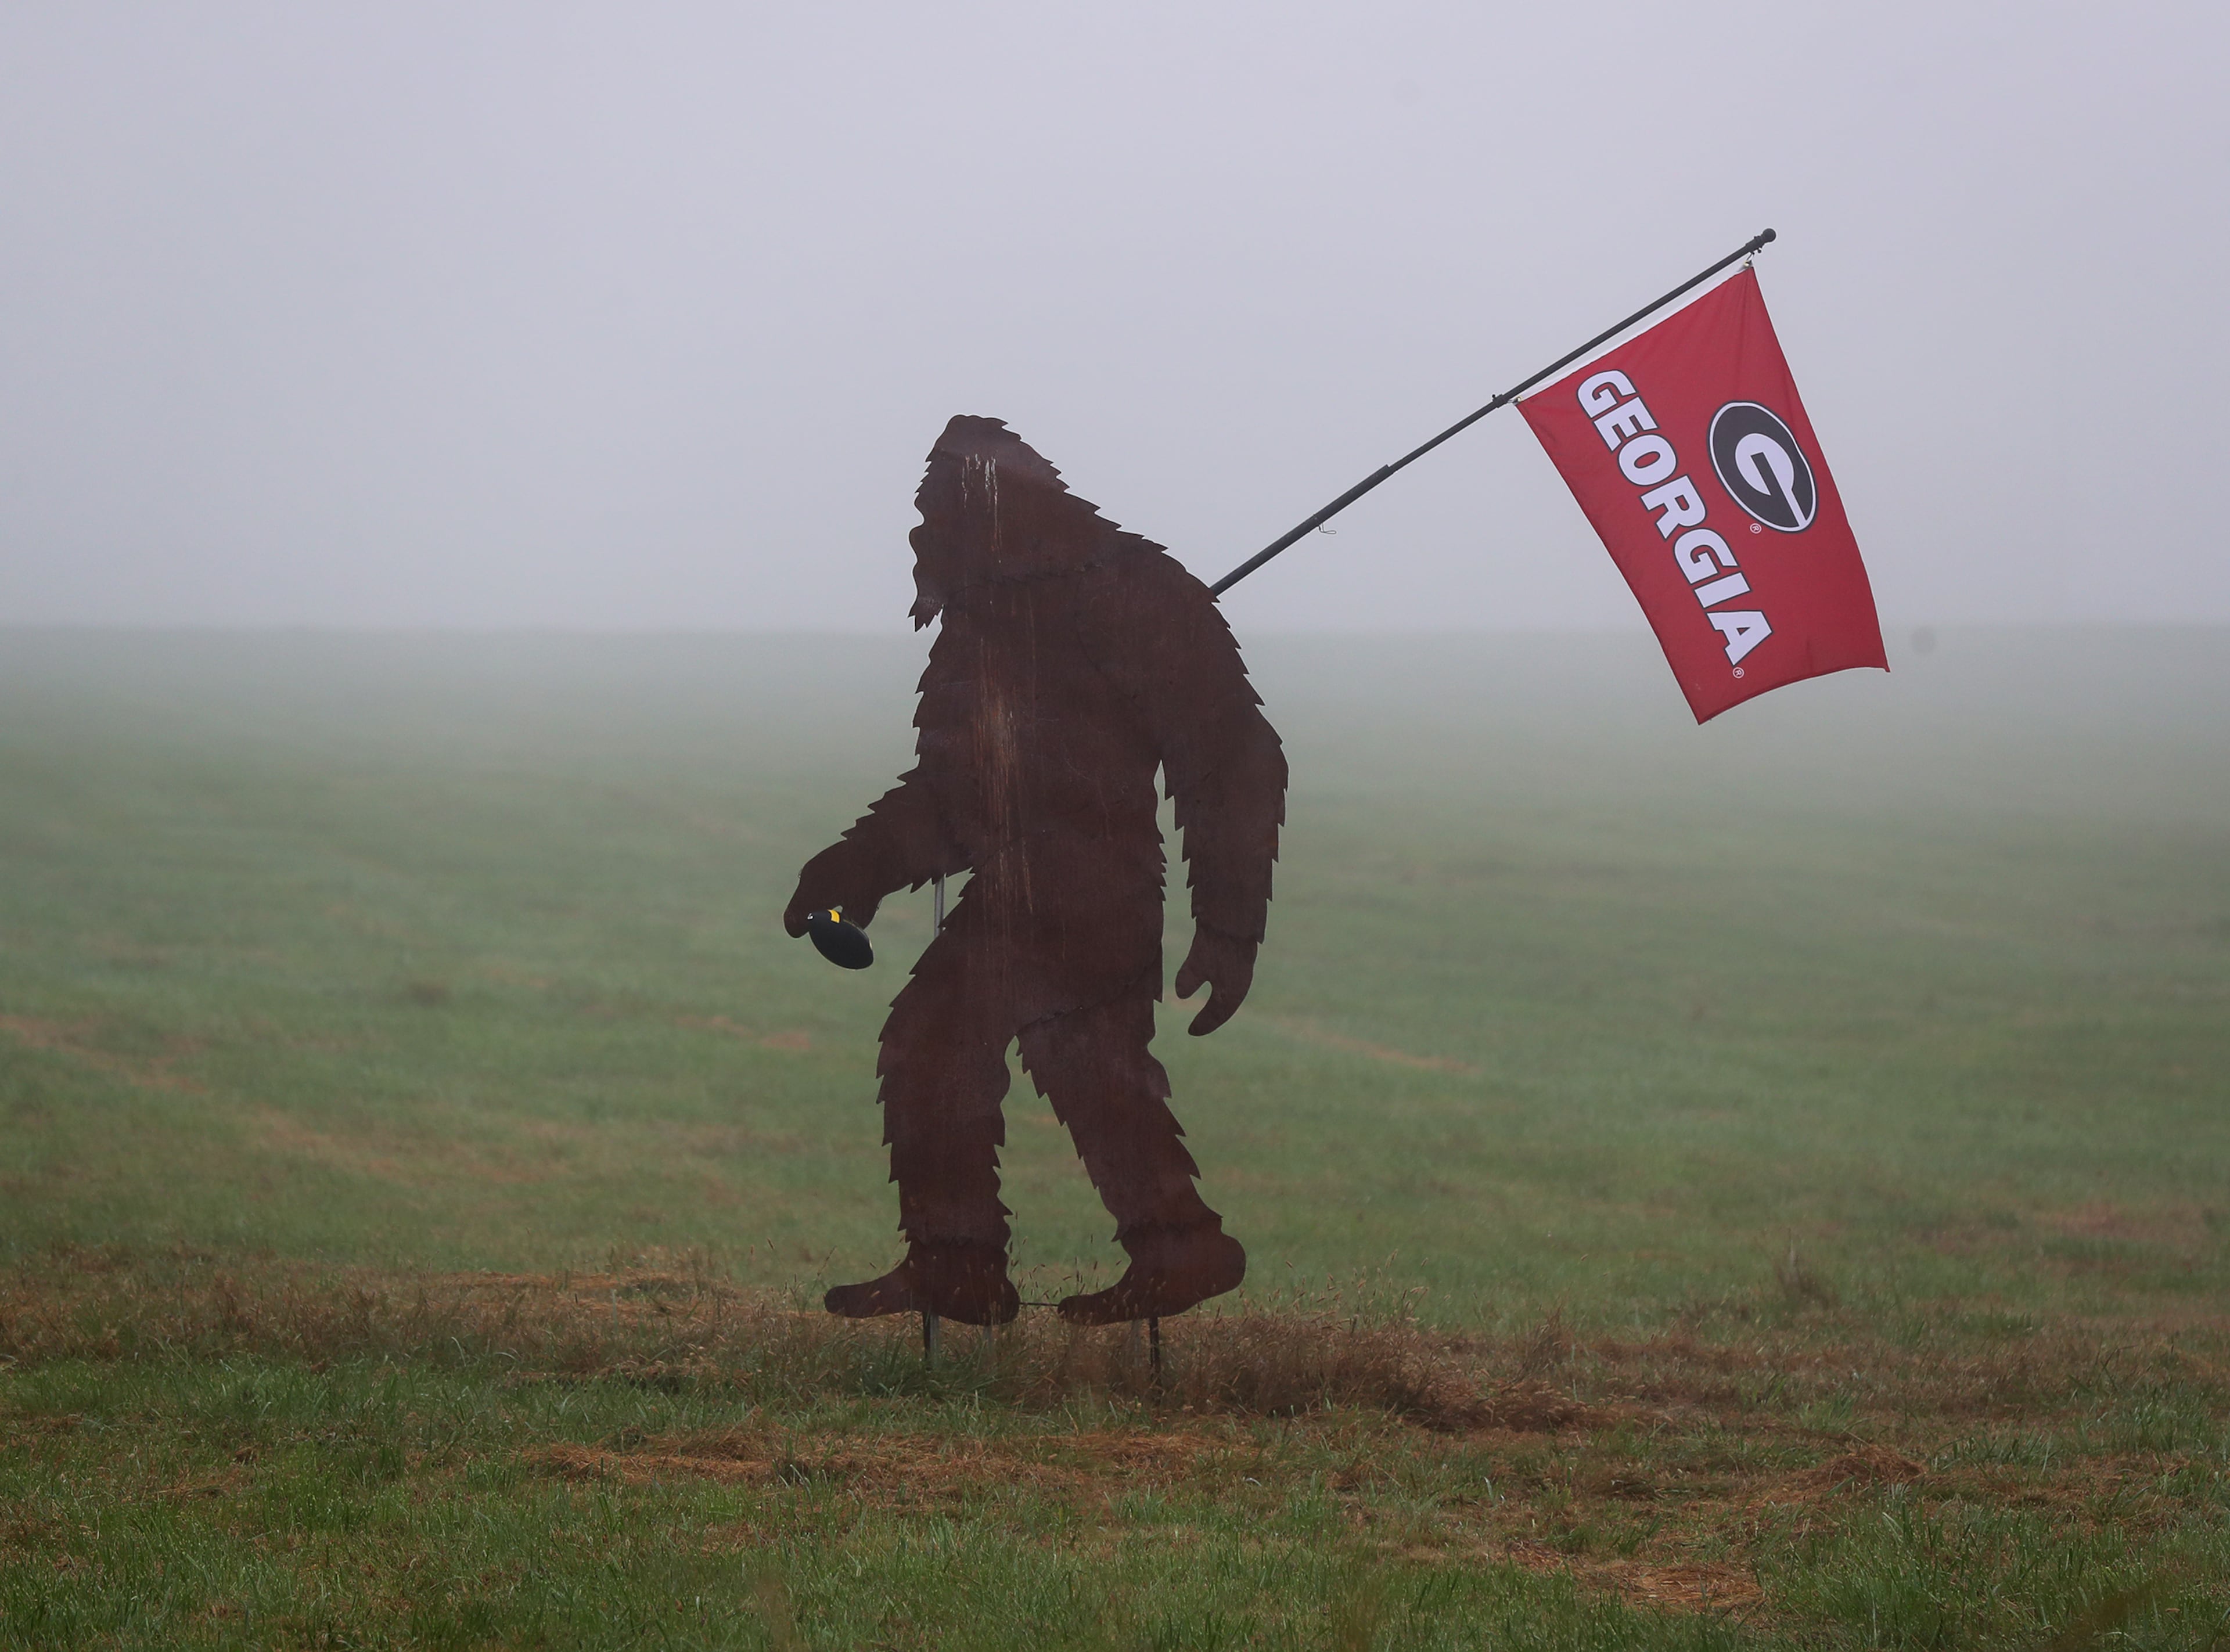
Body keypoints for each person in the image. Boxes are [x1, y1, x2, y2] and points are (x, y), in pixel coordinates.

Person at [783, 416, 1286, 1325]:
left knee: (935, 1040)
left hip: (1079, 888)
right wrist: (857, 869)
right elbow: (960, 793)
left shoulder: (1128, 592)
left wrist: (1230, 923)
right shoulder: (993, 615)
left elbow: (1231, 759)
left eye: (934, 509)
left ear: (987, 510)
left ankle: (961, 1264)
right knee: (1088, 1063)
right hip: (1051, 884)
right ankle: (1177, 1244)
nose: (917, 533)